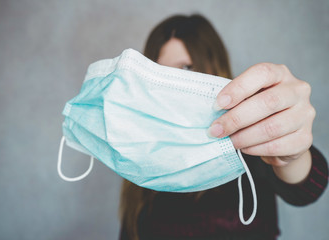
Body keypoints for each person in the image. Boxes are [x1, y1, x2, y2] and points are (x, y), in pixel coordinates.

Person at [119, 14, 328, 240]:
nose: (174, 82)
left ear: (212, 66)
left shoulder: (248, 129)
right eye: (161, 73)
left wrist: (291, 154)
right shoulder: (144, 150)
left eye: (186, 68)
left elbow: (305, 189)